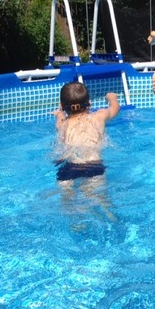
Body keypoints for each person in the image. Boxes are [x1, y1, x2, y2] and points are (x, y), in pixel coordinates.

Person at [52, 81, 120, 220]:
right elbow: (115, 109)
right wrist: (112, 98)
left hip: (68, 168)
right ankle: (112, 220)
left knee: (69, 205)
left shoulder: (63, 125)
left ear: (63, 106)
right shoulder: (99, 116)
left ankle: (77, 224)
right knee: (101, 202)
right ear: (89, 103)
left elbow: (59, 121)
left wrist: (59, 114)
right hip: (93, 166)